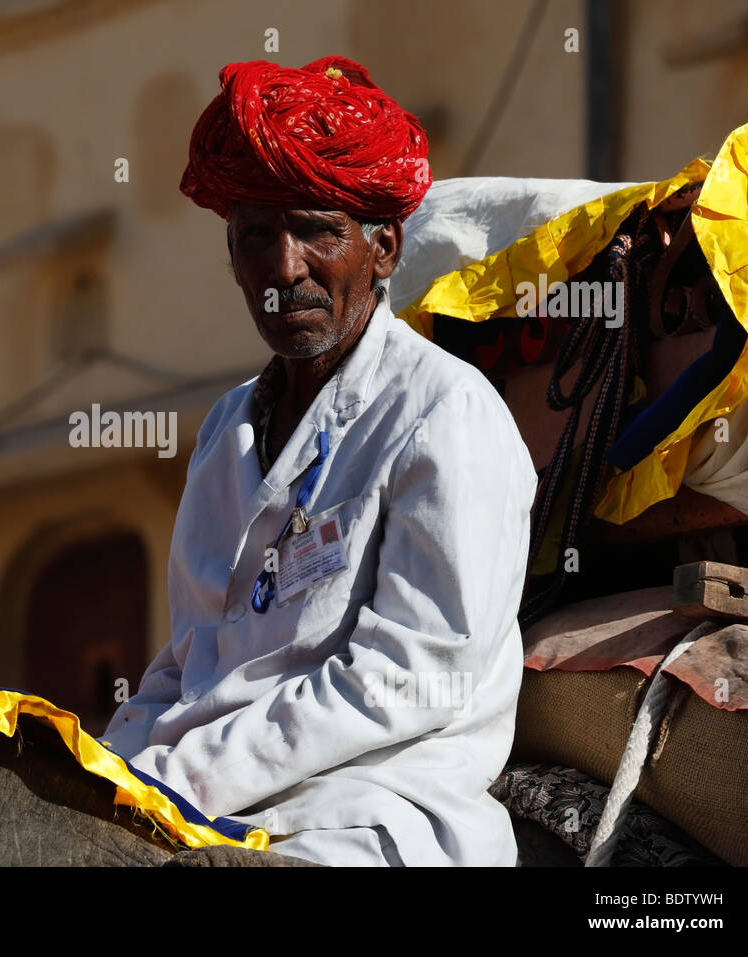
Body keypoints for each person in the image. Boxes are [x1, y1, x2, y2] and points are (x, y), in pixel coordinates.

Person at [101, 55, 537, 866]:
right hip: (199, 807)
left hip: (370, 815)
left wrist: (177, 779)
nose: (284, 267)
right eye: (256, 237)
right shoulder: (228, 428)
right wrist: (100, 767)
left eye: (316, 230)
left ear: (382, 249)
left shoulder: (447, 412)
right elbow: (194, 659)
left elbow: (410, 673)